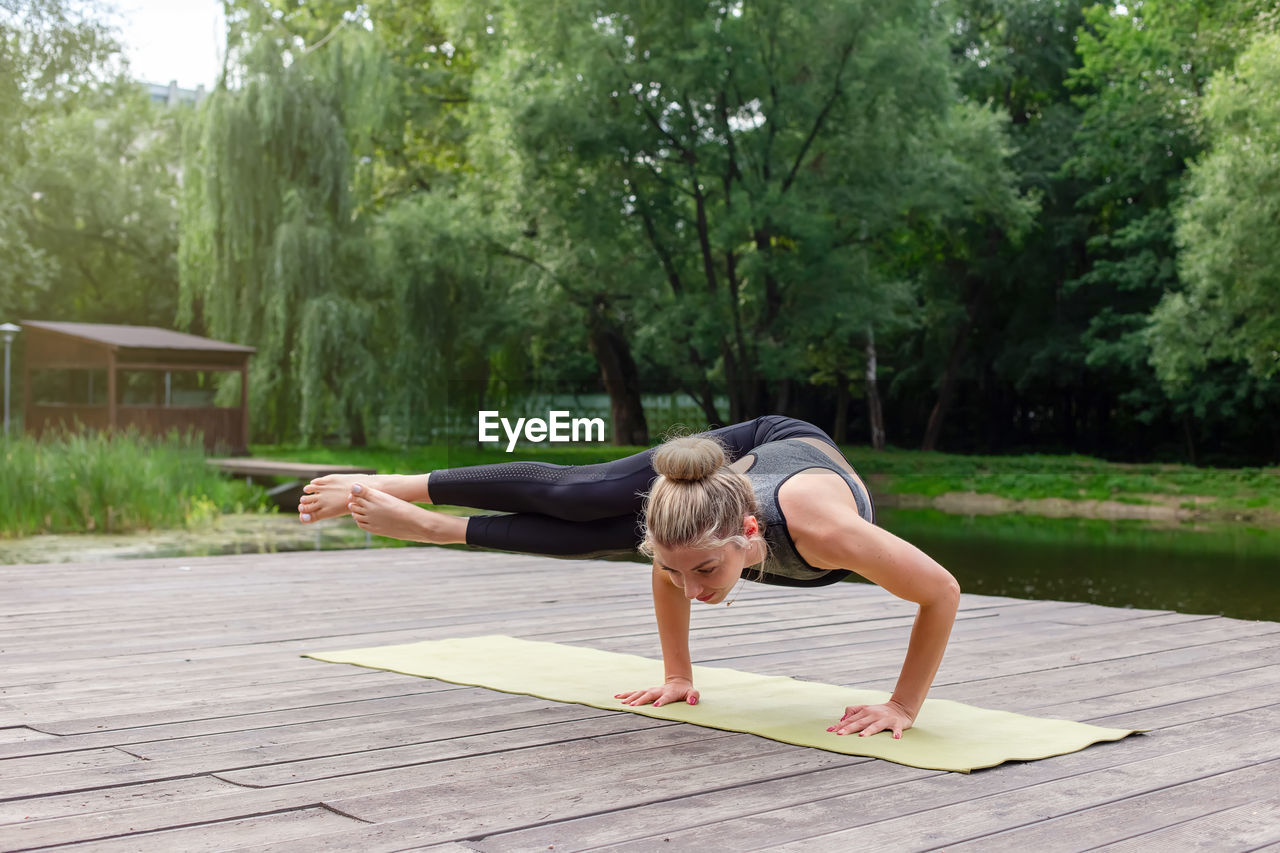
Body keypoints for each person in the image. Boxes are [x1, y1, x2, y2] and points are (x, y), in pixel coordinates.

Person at [297, 415, 960, 740]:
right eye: (677, 571)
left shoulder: (825, 530)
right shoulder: (687, 547)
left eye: (705, 570)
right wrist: (679, 673)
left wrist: (901, 706)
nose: (692, 587)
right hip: (726, 474)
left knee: (601, 522)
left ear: (749, 536)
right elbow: (672, 566)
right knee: (590, 496)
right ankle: (394, 488)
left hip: (786, 444)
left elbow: (940, 591)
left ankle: (441, 528)